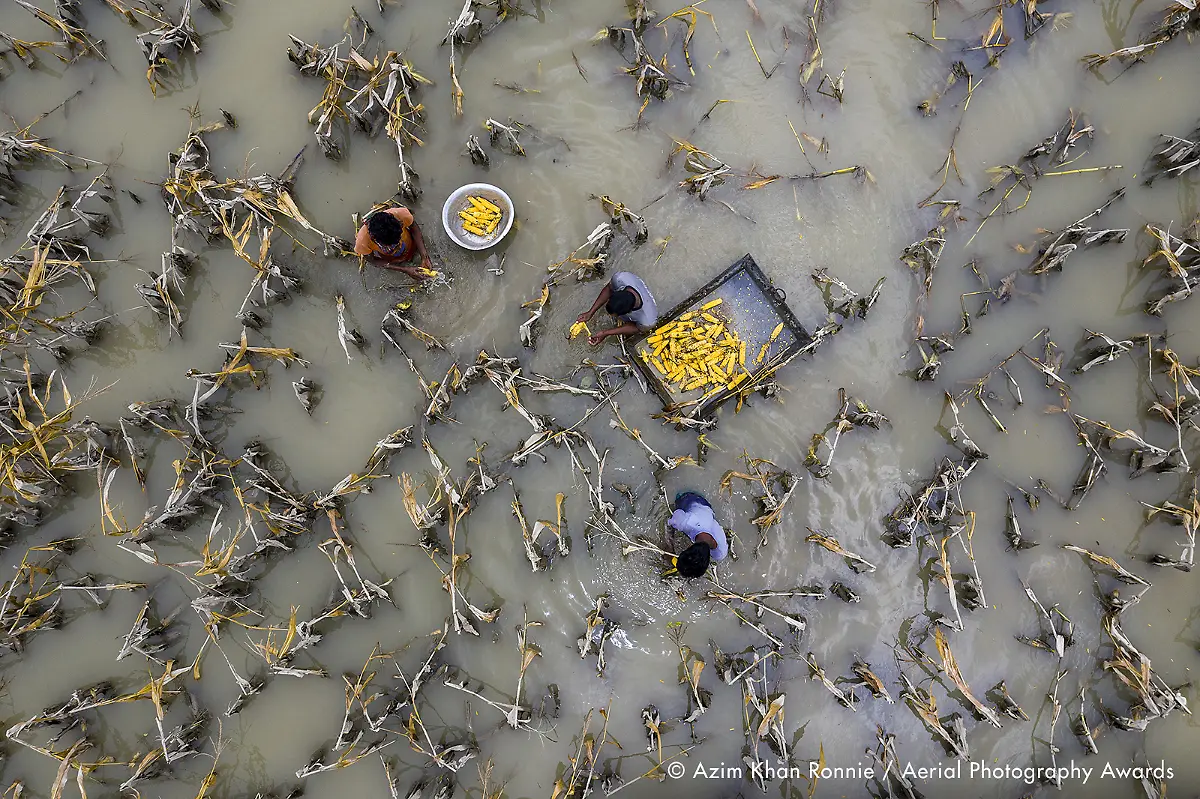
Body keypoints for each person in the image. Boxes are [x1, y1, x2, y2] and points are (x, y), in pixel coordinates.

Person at [577, 271, 658, 346]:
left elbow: (636, 328)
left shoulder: (648, 321)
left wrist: (606, 333)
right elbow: (609, 288)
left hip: (644, 309)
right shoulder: (619, 279)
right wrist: (590, 312)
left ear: (628, 312)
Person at [353, 206, 433, 280]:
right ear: (373, 238)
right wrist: (404, 269)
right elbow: (372, 260)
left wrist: (424, 256)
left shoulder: (401, 215)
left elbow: (414, 229)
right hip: (392, 260)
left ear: (400, 224)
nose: (398, 246)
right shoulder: (363, 241)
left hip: (412, 246)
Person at [668, 491, 728, 579]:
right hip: (688, 499)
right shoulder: (684, 522)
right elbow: (668, 522)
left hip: (706, 509)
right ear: (688, 547)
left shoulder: (720, 553)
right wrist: (669, 548)